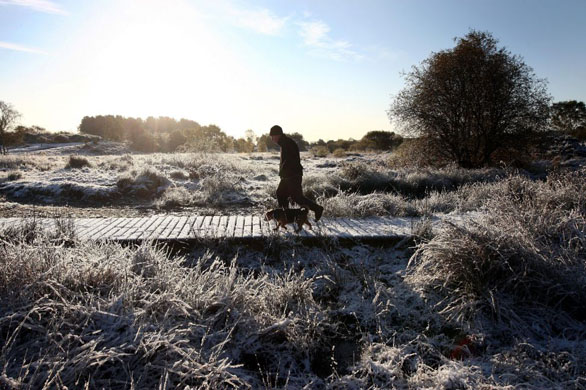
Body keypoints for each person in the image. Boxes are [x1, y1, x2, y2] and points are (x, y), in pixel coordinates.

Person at [270, 125, 324, 221]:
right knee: (281, 194)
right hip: (289, 175)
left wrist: (286, 173)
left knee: (297, 197)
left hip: (292, 175)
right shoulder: (285, 143)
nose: (272, 139)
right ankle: (285, 217)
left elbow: (291, 160)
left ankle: (317, 209)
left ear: (278, 135)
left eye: (272, 136)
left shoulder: (287, 143)